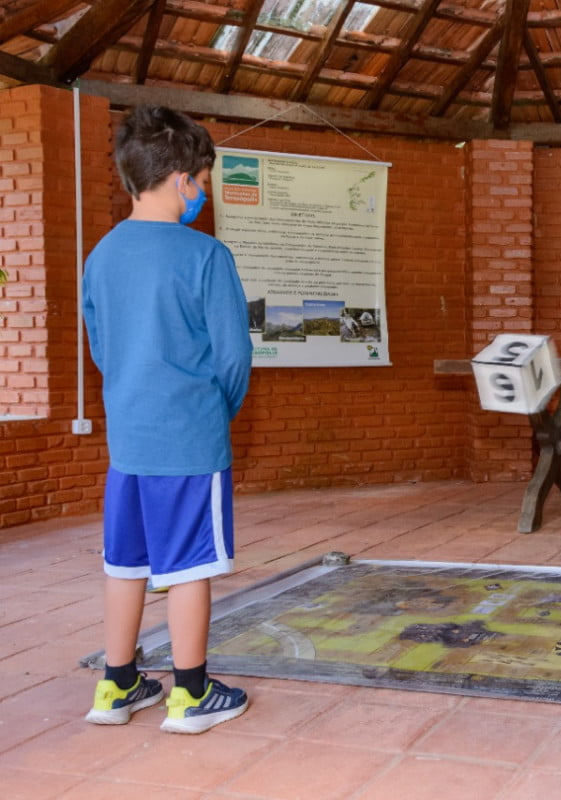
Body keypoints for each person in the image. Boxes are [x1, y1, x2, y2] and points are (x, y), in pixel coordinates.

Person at [82, 105, 253, 733]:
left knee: (125, 563)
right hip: (188, 440)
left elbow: (103, 350)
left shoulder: (100, 255)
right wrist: (214, 414)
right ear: (183, 177)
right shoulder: (206, 256)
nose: (202, 195)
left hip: (128, 439)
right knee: (190, 568)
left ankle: (116, 685)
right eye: (204, 183)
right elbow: (234, 356)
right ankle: (190, 694)